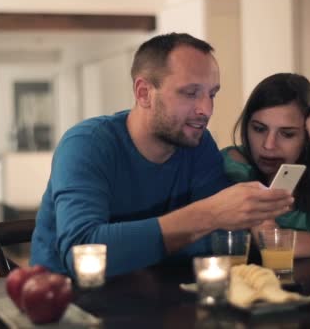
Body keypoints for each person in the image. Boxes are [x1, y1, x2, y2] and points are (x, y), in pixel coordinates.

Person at [30, 33, 294, 277]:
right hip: (69, 305)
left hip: (159, 301)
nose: (206, 109)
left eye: (211, 94)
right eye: (190, 93)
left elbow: (222, 241)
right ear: (144, 93)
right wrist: (208, 215)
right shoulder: (86, 145)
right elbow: (82, 253)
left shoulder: (198, 145)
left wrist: (137, 243)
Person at [221, 73, 310, 260]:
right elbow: (272, 244)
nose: (268, 144)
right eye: (259, 129)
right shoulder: (233, 167)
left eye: (287, 134)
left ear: (308, 136)